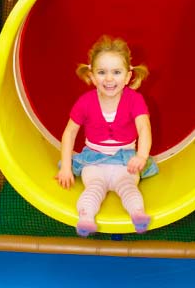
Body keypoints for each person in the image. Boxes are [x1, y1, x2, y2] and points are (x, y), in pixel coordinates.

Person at [56, 35, 158, 237]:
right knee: (94, 187)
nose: (109, 79)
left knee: (128, 186)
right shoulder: (85, 102)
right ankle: (85, 218)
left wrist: (142, 156)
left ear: (128, 77)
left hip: (125, 161)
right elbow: (69, 133)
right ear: (92, 76)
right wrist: (66, 167)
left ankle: (138, 214)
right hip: (94, 161)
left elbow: (144, 128)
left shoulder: (134, 100)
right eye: (102, 72)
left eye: (116, 72)